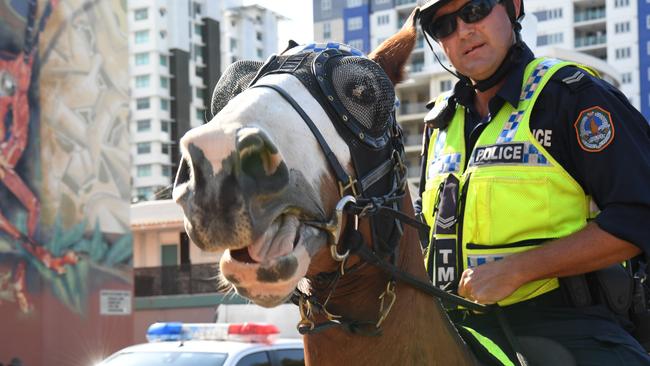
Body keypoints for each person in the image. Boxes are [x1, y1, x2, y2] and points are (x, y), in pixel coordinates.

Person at [416, 0, 650, 364]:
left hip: (565, 328)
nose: (462, 30)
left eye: (475, 9)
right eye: (443, 26)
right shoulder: (439, 123)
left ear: (512, 8)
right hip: (452, 327)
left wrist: (518, 270)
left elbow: (639, 215)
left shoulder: (573, 96)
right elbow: (421, 231)